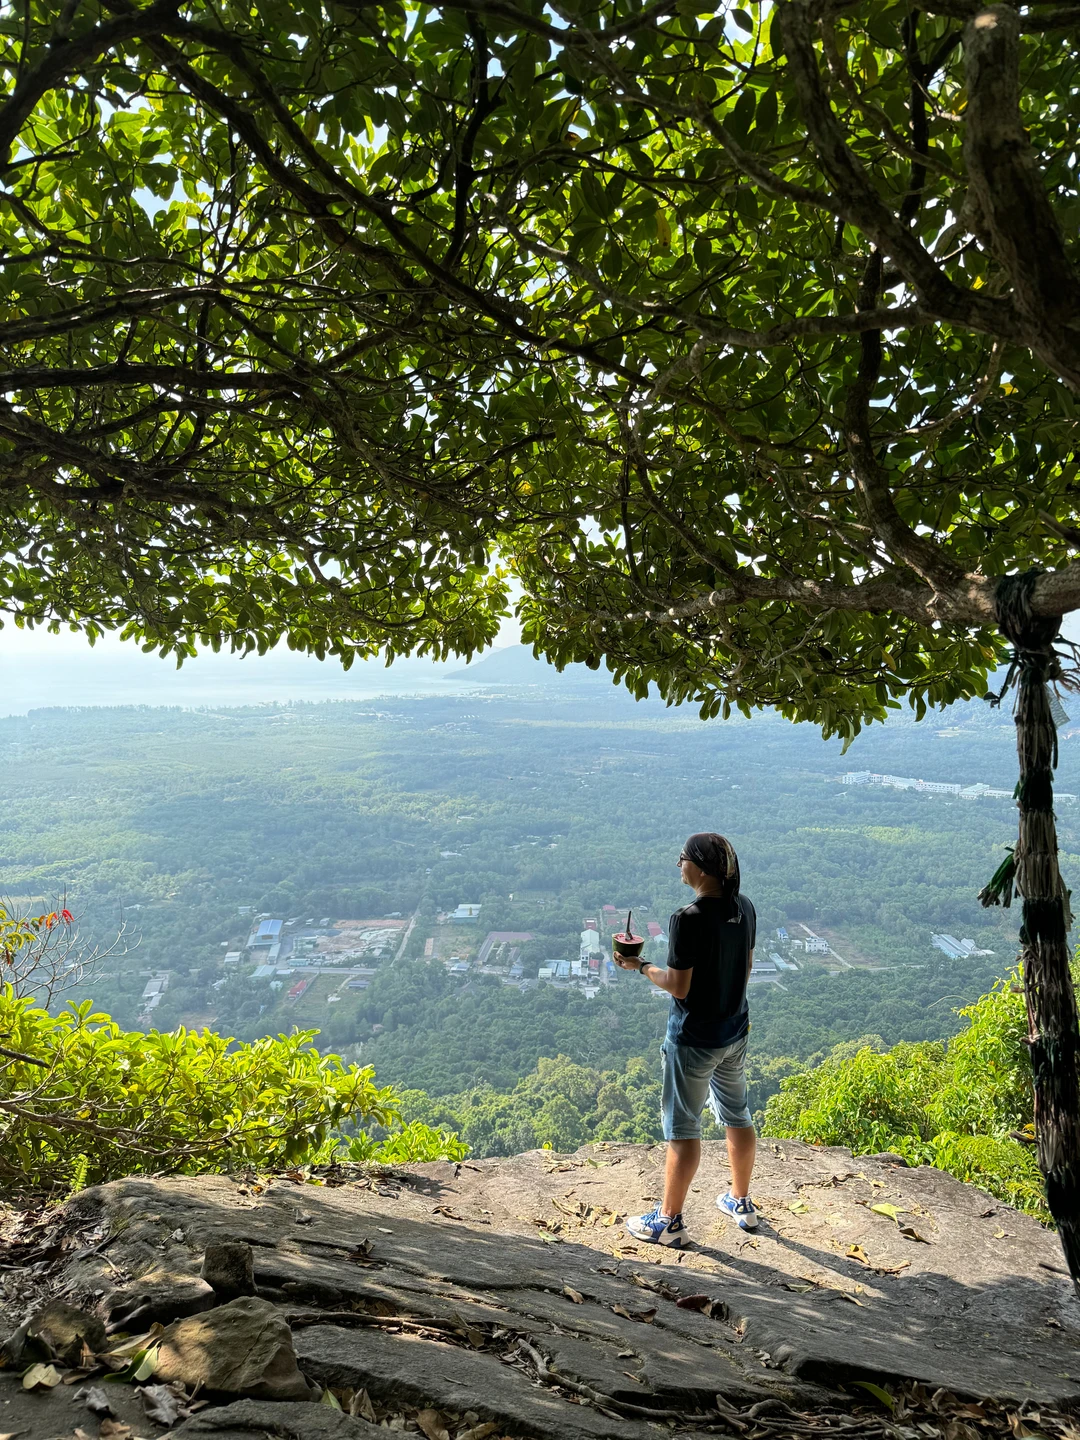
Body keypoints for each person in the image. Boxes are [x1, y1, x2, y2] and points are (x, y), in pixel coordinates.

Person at [614, 832, 758, 1246]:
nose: (679, 865)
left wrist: (641, 966)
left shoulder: (687, 918)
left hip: (693, 1038)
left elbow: (678, 986)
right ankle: (741, 1202)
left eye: (683, 858)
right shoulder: (745, 907)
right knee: (738, 1114)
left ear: (702, 868)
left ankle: (669, 1222)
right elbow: (746, 968)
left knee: (682, 1128)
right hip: (734, 1031)